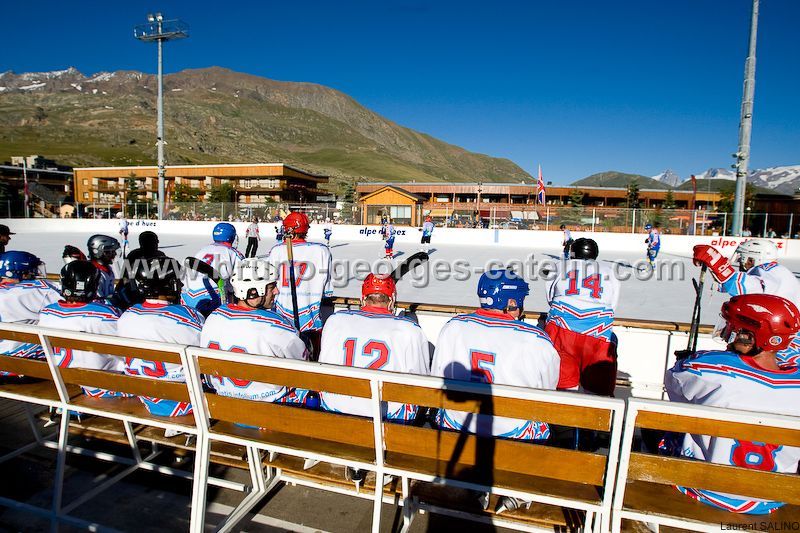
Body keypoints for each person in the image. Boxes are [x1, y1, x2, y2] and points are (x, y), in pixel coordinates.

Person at [431, 269, 560, 514]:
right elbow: (548, 392)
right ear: (511, 302)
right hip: (511, 436)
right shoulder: (535, 339)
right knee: (543, 423)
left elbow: (437, 377)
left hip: (457, 429)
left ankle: (476, 487)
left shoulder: (453, 327)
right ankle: (517, 491)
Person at [665, 293, 800, 515]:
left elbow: (675, 387)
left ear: (751, 337)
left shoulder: (708, 368)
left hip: (706, 490)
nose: (729, 334)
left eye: (734, 330)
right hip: (770, 499)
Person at [318, 273, 429, 419]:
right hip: (383, 415)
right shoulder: (409, 329)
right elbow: (423, 382)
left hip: (335, 407)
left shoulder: (335, 320)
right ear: (391, 300)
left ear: (363, 298)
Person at [200, 258, 308, 403]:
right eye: (271, 287)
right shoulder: (275, 325)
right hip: (269, 409)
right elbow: (303, 365)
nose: (276, 291)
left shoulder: (213, 317)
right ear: (253, 292)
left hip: (221, 404)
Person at [119, 257, 204, 421]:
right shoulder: (187, 317)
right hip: (182, 400)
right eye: (176, 281)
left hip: (145, 396)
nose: (181, 284)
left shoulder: (126, 316)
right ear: (168, 284)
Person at [693, 239, 800, 364]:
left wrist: (716, 262)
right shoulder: (779, 272)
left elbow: (743, 285)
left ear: (752, 259)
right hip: (785, 339)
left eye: (742, 260)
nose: (740, 264)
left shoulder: (767, 271)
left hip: (777, 343)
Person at [39, 260, 126, 398]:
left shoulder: (47, 313)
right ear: (95, 285)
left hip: (63, 380)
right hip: (101, 385)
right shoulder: (106, 315)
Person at [545, 238, 620, 396]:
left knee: (562, 388)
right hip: (598, 333)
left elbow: (550, 298)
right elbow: (612, 305)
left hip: (562, 330)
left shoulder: (560, 266)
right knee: (597, 393)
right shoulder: (609, 271)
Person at [267, 212, 332, 342]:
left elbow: (270, 284)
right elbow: (327, 292)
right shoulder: (322, 250)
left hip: (281, 320)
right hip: (311, 321)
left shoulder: (276, 250)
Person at [0, 251, 60, 378]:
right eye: (32, 270)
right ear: (21, 272)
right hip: (20, 368)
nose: (36, 273)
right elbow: (72, 307)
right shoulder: (34, 291)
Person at [181, 222, 244, 315]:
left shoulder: (202, 250)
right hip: (213, 298)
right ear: (232, 236)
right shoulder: (233, 253)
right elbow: (241, 281)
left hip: (188, 298)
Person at [87, 234, 121, 299]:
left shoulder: (107, 270)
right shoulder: (92, 272)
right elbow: (97, 299)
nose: (115, 254)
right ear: (99, 252)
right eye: (111, 251)